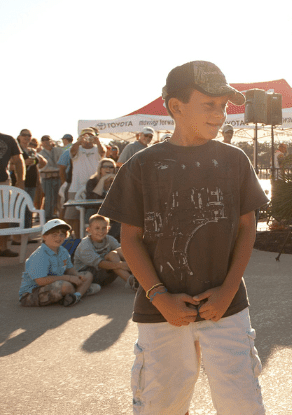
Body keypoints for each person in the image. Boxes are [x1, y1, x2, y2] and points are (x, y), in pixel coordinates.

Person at [99, 60, 269, 415]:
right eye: (209, 104)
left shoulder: (235, 160)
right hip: (160, 313)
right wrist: (159, 296)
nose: (220, 114)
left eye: (223, 105)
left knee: (242, 403)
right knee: (162, 405)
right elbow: (129, 239)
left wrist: (227, 290)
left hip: (227, 309)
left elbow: (246, 227)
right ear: (176, 107)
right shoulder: (140, 166)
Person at [19, 219, 98, 307]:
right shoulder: (39, 255)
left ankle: (76, 296)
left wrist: (77, 274)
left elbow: (69, 268)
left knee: (88, 275)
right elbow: (40, 281)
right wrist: (69, 278)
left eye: (62, 234)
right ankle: (82, 290)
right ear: (44, 236)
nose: (58, 238)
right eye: (54, 235)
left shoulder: (62, 250)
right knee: (67, 286)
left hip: (57, 283)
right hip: (32, 293)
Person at [73, 214, 135, 289]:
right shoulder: (85, 245)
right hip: (87, 277)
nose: (101, 231)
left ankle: (137, 275)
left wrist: (130, 263)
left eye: (104, 228)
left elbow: (123, 251)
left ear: (108, 228)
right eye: (97, 228)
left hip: (106, 276)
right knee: (112, 255)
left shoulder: (109, 239)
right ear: (88, 229)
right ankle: (132, 282)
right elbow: (100, 264)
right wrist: (122, 265)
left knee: (117, 252)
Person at [64, 128, 105, 237]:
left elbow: (103, 153)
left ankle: (89, 237)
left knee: (91, 215)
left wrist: (98, 141)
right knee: (71, 216)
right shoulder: (77, 148)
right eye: (85, 136)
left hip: (93, 187)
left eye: (90, 136)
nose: (88, 138)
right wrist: (79, 141)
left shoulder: (97, 148)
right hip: (76, 187)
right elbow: (72, 152)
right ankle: (77, 238)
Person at [11, 129, 47, 228]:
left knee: (29, 209)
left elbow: (43, 163)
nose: (26, 137)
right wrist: (23, 164)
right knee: (17, 209)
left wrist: (36, 161)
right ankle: (15, 235)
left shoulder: (32, 151)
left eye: (29, 135)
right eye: (24, 135)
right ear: (19, 137)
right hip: (18, 183)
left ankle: (27, 234)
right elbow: (9, 166)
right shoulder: (15, 150)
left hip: (32, 183)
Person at [0, 131, 25, 257]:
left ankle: (3, 247)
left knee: (4, 215)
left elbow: (18, 160)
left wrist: (21, 181)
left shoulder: (8, 139)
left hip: (3, 181)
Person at [38, 135, 62, 220]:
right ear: (41, 143)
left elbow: (63, 162)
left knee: (59, 198)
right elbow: (44, 168)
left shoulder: (59, 150)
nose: (46, 142)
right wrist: (57, 169)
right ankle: (47, 218)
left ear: (51, 141)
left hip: (58, 178)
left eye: (47, 140)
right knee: (49, 199)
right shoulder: (40, 154)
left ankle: (59, 217)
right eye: (43, 140)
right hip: (47, 178)